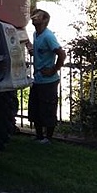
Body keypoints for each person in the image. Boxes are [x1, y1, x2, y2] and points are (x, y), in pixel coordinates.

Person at [27, 9, 66, 144]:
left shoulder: (48, 36)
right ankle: (39, 136)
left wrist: (53, 70)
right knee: (36, 108)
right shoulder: (35, 34)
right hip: (38, 79)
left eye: (37, 16)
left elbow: (61, 54)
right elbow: (40, 52)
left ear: (45, 20)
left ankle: (48, 138)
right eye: (33, 15)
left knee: (48, 108)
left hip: (48, 81)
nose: (34, 18)